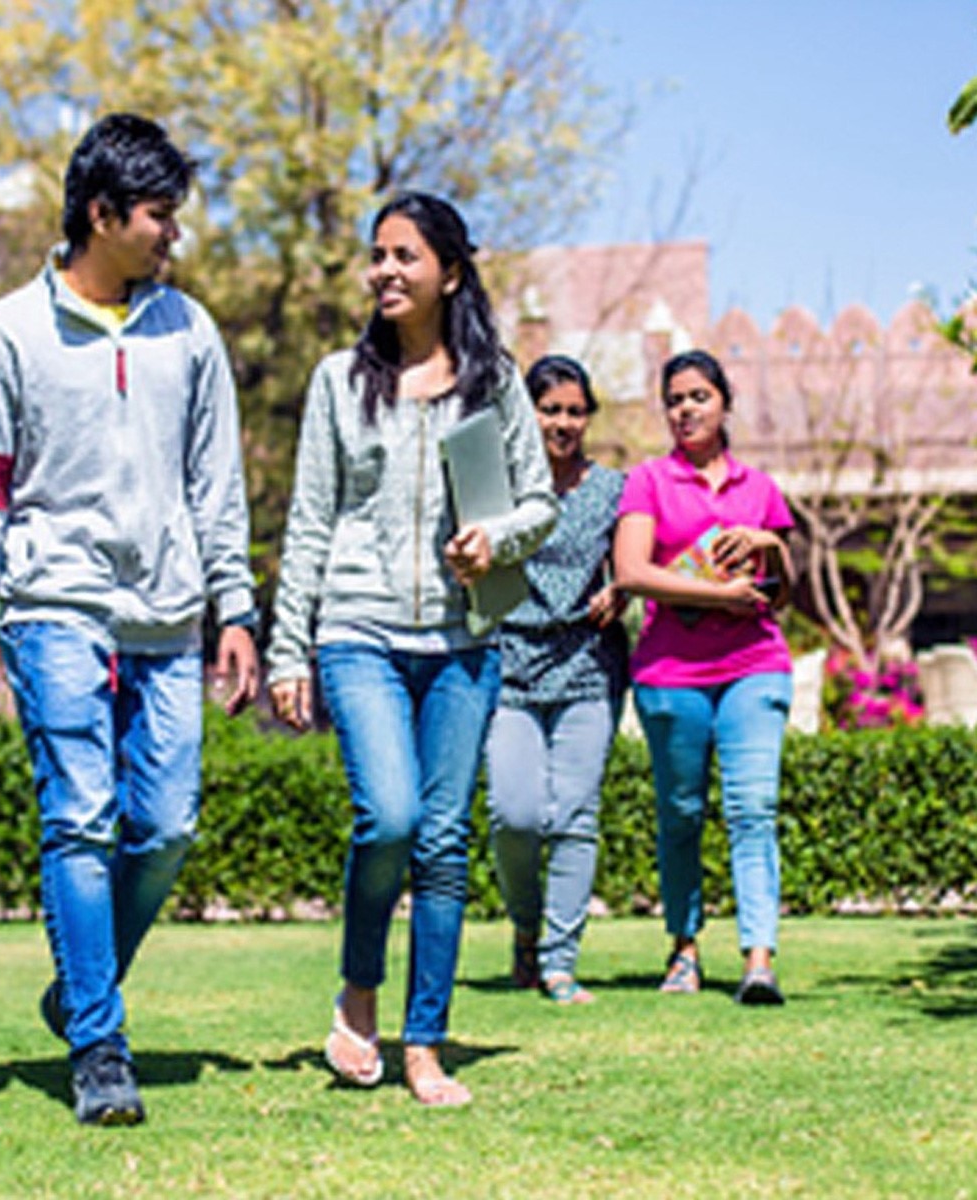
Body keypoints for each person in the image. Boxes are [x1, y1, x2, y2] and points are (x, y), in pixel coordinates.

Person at [0, 113, 259, 1125]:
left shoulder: (189, 331)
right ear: (102, 213)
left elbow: (218, 485)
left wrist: (235, 609)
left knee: (165, 827)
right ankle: (99, 1046)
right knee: (78, 815)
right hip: (52, 606)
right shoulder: (6, 336)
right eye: (162, 216)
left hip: (167, 618)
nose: (176, 236)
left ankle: (81, 984)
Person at [266, 192, 556, 1107]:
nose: (385, 271)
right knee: (388, 817)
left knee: (442, 840)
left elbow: (539, 505)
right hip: (358, 631)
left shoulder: (496, 383)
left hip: (465, 640)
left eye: (405, 256)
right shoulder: (338, 381)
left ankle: (424, 1040)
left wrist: (497, 541)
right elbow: (309, 520)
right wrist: (287, 652)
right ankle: (359, 991)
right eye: (377, 256)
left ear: (451, 272)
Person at [613, 348, 795, 1005]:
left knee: (753, 811)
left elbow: (783, 593)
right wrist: (720, 596)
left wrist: (771, 545)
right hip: (671, 675)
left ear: (725, 403)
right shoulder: (649, 482)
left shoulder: (760, 488)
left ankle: (758, 961)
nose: (685, 409)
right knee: (682, 814)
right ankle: (684, 950)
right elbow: (631, 572)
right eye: (674, 399)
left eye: (698, 397)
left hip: (755, 667)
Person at [485, 354, 628, 1006]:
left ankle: (560, 959)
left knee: (574, 815)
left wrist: (623, 588)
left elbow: (636, 557)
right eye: (550, 409)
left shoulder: (613, 490)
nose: (563, 422)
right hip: (507, 664)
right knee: (513, 814)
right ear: (527, 412)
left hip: (585, 666)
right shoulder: (496, 485)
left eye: (575, 411)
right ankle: (525, 925)